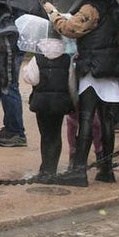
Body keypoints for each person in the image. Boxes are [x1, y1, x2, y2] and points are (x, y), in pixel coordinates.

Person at [45, 0, 119, 187]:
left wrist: (54, 15)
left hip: (92, 66)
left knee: (86, 117)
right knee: (107, 119)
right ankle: (106, 168)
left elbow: (71, 29)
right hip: (112, 66)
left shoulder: (91, 7)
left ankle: (79, 170)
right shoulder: (114, 6)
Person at [26, 29, 76, 182]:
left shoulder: (37, 58)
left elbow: (32, 79)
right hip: (59, 103)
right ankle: (52, 169)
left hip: (41, 103)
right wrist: (73, 100)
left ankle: (44, 169)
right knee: (55, 135)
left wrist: (25, 71)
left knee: (45, 135)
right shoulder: (67, 59)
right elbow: (71, 83)